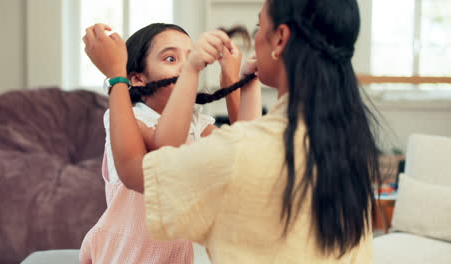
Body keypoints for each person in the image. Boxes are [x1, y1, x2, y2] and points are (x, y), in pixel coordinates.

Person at [82, 0, 380, 262]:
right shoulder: (347, 141)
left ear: (279, 40)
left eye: (258, 26)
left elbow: (139, 170)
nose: (188, 66)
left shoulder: (236, 145)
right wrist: (242, 83)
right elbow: (244, 140)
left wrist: (115, 77)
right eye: (172, 59)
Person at [79, 23, 261, 264]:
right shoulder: (128, 116)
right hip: (122, 254)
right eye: (171, 58)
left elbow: (246, 149)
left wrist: (239, 79)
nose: (187, 65)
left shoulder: (196, 123)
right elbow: (164, 152)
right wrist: (192, 69)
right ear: (137, 79)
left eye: (191, 56)